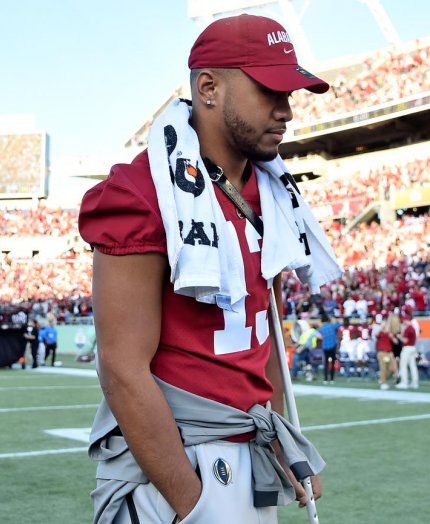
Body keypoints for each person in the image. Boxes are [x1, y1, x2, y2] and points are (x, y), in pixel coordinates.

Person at [78, 15, 341, 523]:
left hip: (250, 451)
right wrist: (191, 503)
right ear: (208, 87)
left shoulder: (274, 196)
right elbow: (121, 368)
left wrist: (279, 435)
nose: (286, 111)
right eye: (270, 90)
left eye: (291, 94)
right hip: (178, 463)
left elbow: (268, 333)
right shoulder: (140, 192)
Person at [396, 312, 419, 389]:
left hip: (407, 348)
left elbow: (405, 340)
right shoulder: (412, 328)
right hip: (412, 348)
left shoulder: (408, 329)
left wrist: (399, 337)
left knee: (403, 365)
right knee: (413, 366)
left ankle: (404, 382)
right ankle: (415, 383)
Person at [318, 313, 340, 384]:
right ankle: (332, 379)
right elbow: (339, 324)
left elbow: (319, 335)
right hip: (332, 346)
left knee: (326, 363)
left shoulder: (321, 328)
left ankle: (325, 379)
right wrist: (334, 319)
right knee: (332, 363)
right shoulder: (332, 326)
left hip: (325, 347)